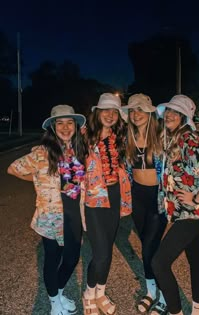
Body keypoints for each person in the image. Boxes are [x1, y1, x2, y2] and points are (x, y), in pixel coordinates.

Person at [7, 105, 87, 315]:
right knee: (52, 259)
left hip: (74, 214)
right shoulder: (42, 153)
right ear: (52, 127)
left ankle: (59, 292)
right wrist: (36, 180)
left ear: (76, 126)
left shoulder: (79, 150)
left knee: (72, 258)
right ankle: (54, 302)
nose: (65, 127)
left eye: (69, 122)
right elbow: (13, 168)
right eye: (59, 123)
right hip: (50, 215)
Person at [150, 95, 199, 315]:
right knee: (195, 259)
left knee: (159, 263)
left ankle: (175, 311)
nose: (170, 115)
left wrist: (196, 198)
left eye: (176, 112)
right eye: (169, 111)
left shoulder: (188, 139)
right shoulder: (172, 138)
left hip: (193, 213)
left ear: (184, 118)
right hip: (183, 213)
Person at [82, 93, 132, 315]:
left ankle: (100, 293)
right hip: (93, 199)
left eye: (114, 111)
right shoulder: (83, 137)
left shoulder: (120, 137)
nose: (110, 115)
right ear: (97, 113)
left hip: (114, 195)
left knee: (107, 250)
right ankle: (88, 294)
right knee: (100, 253)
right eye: (106, 110)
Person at [122, 93, 168, 315]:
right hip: (136, 196)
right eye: (132, 110)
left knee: (150, 247)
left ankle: (165, 295)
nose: (136, 114)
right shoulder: (127, 139)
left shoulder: (162, 136)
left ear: (150, 112)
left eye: (140, 109)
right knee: (147, 246)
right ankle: (151, 291)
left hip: (158, 197)